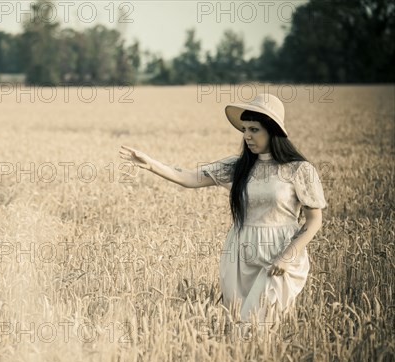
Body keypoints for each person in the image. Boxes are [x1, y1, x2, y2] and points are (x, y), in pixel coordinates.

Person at [119, 93, 327, 322]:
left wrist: (287, 256)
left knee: (257, 325)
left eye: (254, 129)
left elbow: (313, 220)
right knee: (239, 325)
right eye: (245, 129)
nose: (246, 136)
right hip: (239, 256)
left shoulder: (300, 170)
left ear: (273, 130)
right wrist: (151, 164)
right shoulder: (237, 167)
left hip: (279, 255)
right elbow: (190, 178)